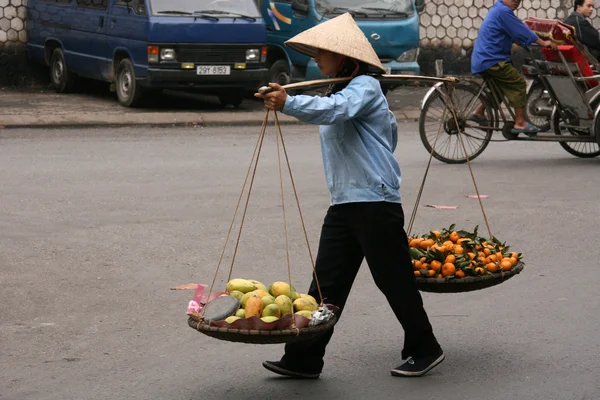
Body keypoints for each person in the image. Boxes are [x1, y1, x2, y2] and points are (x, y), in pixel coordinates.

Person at [254, 13, 444, 379]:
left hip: (374, 201)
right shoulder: (340, 90)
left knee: (393, 279)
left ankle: (425, 346)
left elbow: (335, 111)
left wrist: (288, 103)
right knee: (327, 283)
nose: (317, 60)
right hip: (344, 203)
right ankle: (304, 357)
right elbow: (337, 110)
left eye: (323, 54)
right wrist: (286, 98)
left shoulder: (365, 89)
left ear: (342, 57)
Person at [469, 0, 557, 136]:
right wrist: (543, 43)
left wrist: (526, 42)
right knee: (518, 83)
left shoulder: (497, 10)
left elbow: (513, 35)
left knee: (498, 88)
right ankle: (520, 122)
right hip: (492, 59)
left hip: (483, 59)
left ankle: (479, 112)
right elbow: (522, 31)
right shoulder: (503, 11)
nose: (516, 1)